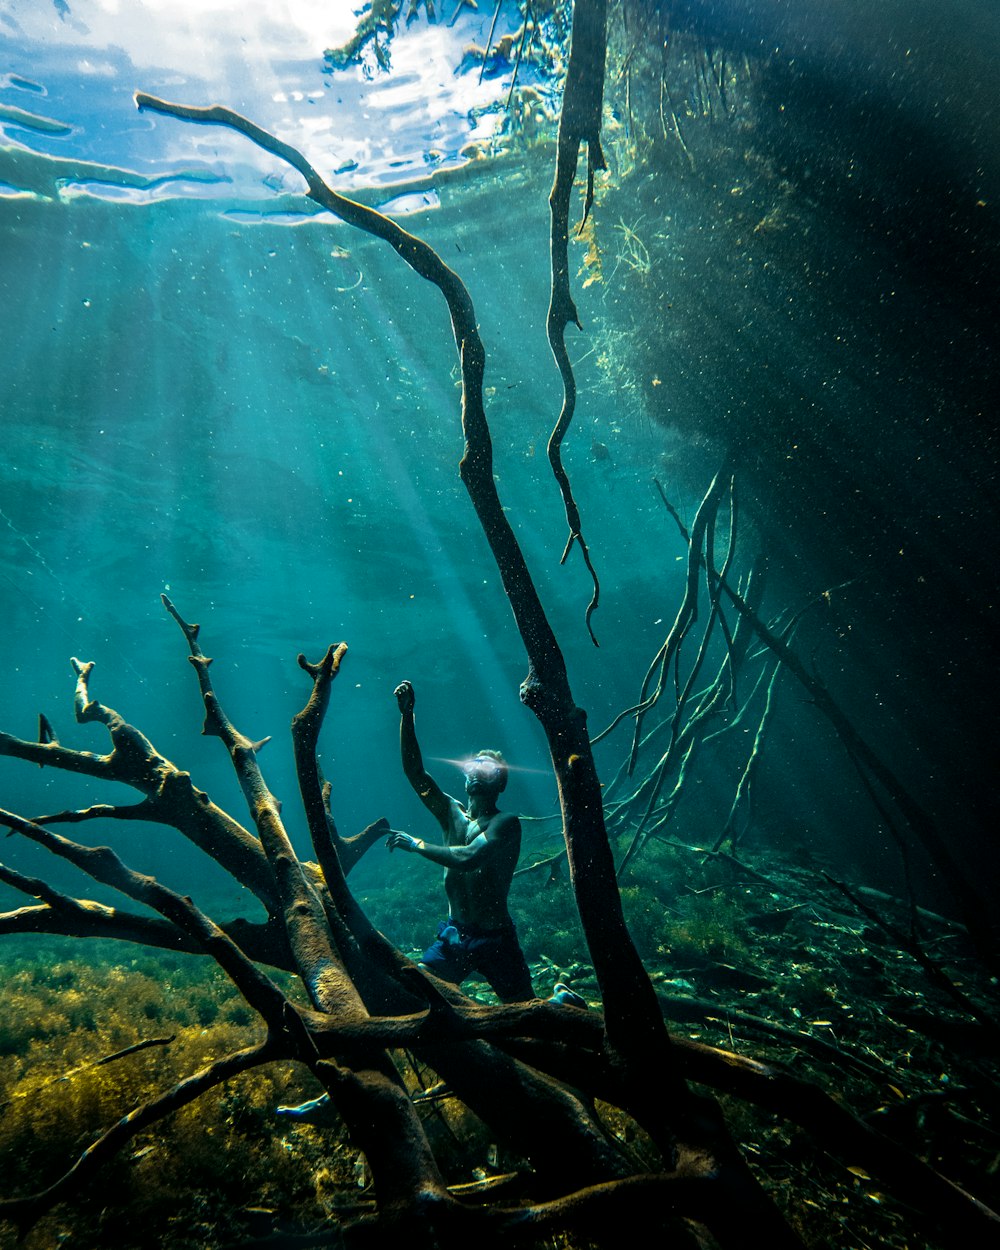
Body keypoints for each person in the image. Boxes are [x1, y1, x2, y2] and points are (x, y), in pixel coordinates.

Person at [386, 679, 536, 1003]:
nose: (477, 771)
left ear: (500, 783)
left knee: (527, 1013)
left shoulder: (506, 823)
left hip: (496, 939)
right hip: (454, 937)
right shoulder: (450, 813)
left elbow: (469, 857)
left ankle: (565, 1004)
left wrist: (417, 845)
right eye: (474, 765)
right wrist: (407, 716)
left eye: (488, 768)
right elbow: (415, 773)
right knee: (417, 994)